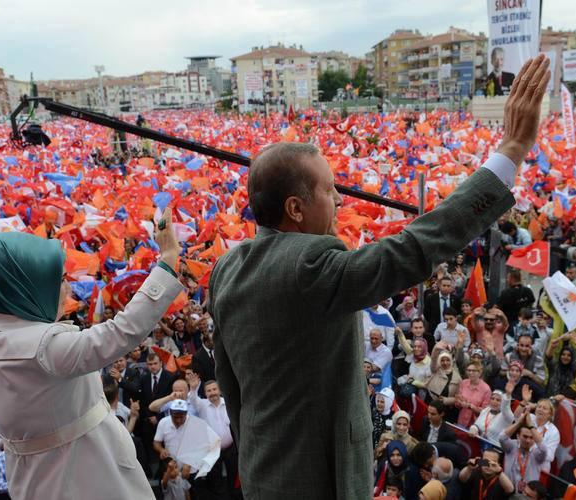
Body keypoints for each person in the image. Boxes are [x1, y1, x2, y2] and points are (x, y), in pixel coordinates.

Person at [209, 56, 552, 499]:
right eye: (329, 190)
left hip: (263, 471)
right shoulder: (311, 265)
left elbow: (231, 387)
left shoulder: (226, 269)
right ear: (295, 209)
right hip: (319, 482)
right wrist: (510, 151)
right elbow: (411, 250)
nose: (338, 199)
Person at [0, 209, 183, 499]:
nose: (65, 287)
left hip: (31, 478)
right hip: (89, 472)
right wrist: (167, 262)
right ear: (24, 287)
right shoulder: (45, 348)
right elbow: (122, 331)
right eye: (56, 279)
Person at [498, 412, 548, 494]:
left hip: (527, 495)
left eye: (531, 438)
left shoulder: (537, 453)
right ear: (518, 436)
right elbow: (502, 438)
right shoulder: (511, 446)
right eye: (525, 436)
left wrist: (531, 427)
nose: (528, 440)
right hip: (507, 491)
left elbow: (544, 449)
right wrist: (518, 423)